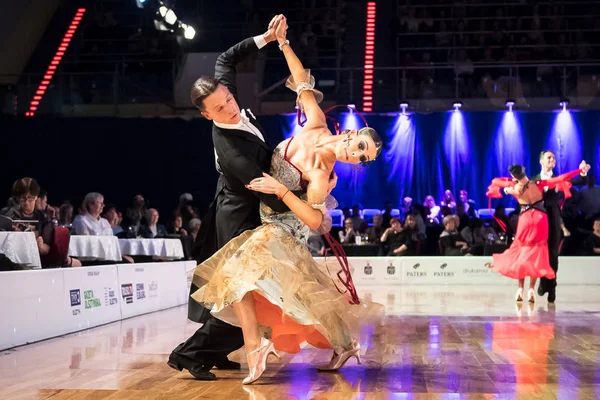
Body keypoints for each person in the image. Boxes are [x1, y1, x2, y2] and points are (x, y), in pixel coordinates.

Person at [190, 15, 383, 385]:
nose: (357, 157)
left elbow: (313, 222)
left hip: (281, 229)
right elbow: (302, 82)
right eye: (361, 147)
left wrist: (280, 191)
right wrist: (281, 42)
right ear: (353, 132)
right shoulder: (315, 123)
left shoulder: (320, 177)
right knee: (291, 297)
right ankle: (333, 343)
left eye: (364, 159)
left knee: (237, 276)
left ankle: (257, 345)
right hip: (264, 220)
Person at [168, 16, 308, 381]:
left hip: (248, 211)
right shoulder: (231, 152)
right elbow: (269, 190)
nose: (230, 108)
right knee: (248, 294)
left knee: (248, 296)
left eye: (229, 100)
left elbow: (226, 59)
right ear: (205, 115)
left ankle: (215, 352)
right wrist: (305, 200)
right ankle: (188, 354)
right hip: (240, 220)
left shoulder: (222, 89)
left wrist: (268, 37)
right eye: (220, 108)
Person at [485, 164, 583, 303]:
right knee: (536, 254)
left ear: (514, 175)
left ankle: (520, 288)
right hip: (540, 220)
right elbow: (562, 178)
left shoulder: (514, 186)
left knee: (521, 253)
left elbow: (495, 181)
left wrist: (508, 188)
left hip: (525, 220)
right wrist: (579, 170)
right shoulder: (538, 183)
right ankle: (531, 289)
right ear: (524, 170)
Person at [532, 151, 590, 303]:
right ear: (541, 161)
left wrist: (582, 173)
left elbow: (577, 182)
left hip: (553, 219)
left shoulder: (558, 180)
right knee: (540, 253)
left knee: (552, 254)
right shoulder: (533, 180)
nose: (552, 159)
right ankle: (543, 281)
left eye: (554, 158)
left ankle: (551, 288)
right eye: (548, 157)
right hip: (538, 221)